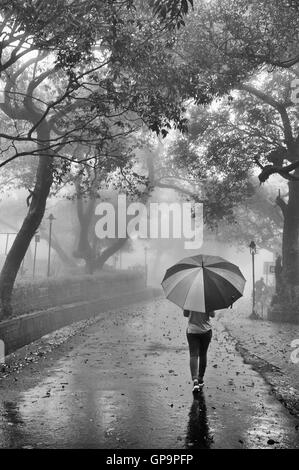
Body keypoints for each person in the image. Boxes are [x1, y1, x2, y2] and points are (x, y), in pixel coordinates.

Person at [184, 309, 215, 392]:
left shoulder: (189, 298)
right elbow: (212, 314)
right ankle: (200, 378)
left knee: (193, 355)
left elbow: (185, 314)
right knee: (203, 354)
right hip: (206, 331)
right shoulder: (208, 298)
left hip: (192, 331)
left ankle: (195, 380)